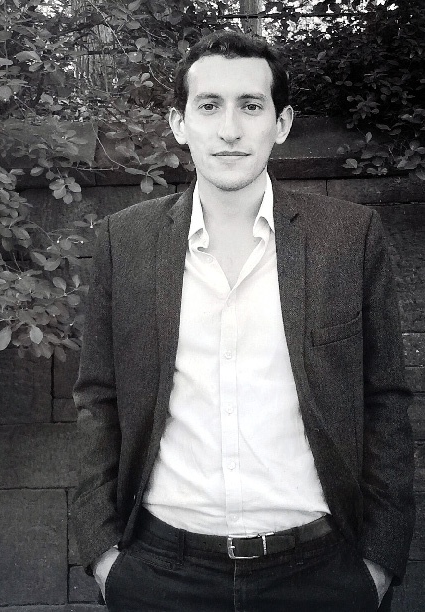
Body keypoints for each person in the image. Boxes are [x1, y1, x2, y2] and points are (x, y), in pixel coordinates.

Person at [72, 30, 415, 611]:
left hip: (320, 573)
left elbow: (384, 398)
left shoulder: (349, 238)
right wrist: (105, 556)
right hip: (159, 573)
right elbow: (98, 397)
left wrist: (378, 561)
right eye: (209, 106)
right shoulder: (123, 241)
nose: (229, 129)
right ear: (180, 123)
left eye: (250, 106)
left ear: (280, 123)